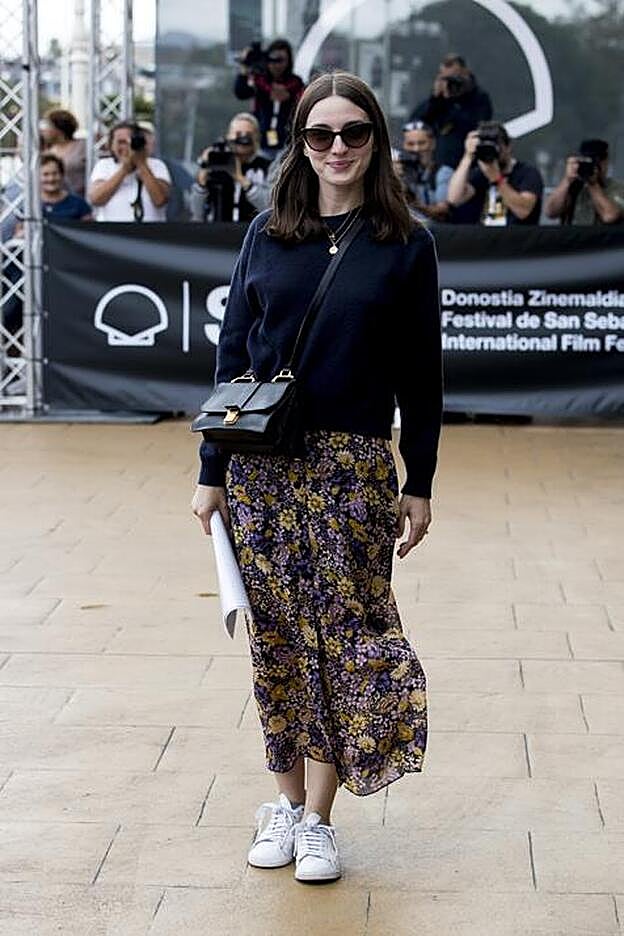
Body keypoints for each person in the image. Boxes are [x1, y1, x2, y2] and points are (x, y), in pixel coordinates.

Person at [191, 71, 441, 884]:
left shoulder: (407, 242)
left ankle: (320, 819)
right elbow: (233, 358)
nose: (337, 148)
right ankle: (284, 801)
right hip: (263, 468)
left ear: (377, 138)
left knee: (348, 639)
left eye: (354, 133)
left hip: (355, 467)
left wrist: (421, 478)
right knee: (277, 643)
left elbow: (422, 375)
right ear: (298, 141)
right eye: (319, 134)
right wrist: (211, 472)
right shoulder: (268, 232)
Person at [447, 121, 543, 225]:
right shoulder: (481, 173)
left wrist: (497, 179)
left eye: (496, 147)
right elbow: (453, 199)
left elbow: (523, 211)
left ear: (508, 146)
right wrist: (467, 156)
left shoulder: (527, 173)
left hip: (518, 237)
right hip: (486, 237)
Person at [409, 53, 493, 169]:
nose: (452, 83)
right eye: (447, 79)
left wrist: (457, 101)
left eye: (455, 77)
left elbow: (477, 125)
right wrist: (435, 98)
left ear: (465, 73)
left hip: (468, 164)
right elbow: (415, 123)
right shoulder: (439, 101)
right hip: (439, 162)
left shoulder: (479, 98)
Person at [190, 113, 271, 222]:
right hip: (218, 233)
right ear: (229, 136)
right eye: (238, 134)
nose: (243, 138)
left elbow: (271, 208)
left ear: (256, 138)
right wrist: (203, 176)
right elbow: (196, 212)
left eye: (248, 134)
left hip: (253, 234)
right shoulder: (216, 164)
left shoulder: (267, 167)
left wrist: (241, 179)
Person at [88, 121, 171, 222]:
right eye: (121, 142)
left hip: (150, 232)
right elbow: (96, 199)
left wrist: (141, 165)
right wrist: (124, 170)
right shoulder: (104, 165)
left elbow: (160, 200)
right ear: (111, 145)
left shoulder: (157, 165)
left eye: (130, 141)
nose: (126, 146)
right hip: (111, 233)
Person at [234, 39, 304, 155]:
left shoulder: (295, 84)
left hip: (287, 145)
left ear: (288, 61)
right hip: (261, 143)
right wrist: (245, 67)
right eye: (272, 60)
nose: (276, 65)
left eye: (280, 60)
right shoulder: (260, 82)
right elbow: (241, 92)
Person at [545, 138, 624, 225]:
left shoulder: (617, 188)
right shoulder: (572, 187)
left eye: (596, 162)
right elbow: (551, 212)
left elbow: (609, 216)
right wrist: (567, 180)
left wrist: (593, 184)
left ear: (605, 162)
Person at [395, 120, 453, 221]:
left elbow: (441, 212)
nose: (416, 149)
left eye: (421, 143)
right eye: (410, 144)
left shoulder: (442, 172)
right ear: (404, 145)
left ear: (433, 143)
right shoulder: (398, 169)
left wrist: (411, 200)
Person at [40, 108, 87, 197]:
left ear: (58, 129)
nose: (44, 131)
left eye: (47, 126)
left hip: (81, 200)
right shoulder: (48, 152)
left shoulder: (82, 147)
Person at [39, 155, 92, 221]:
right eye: (45, 174)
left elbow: (88, 229)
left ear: (62, 175)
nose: (51, 179)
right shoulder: (29, 206)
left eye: (55, 173)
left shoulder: (79, 204)